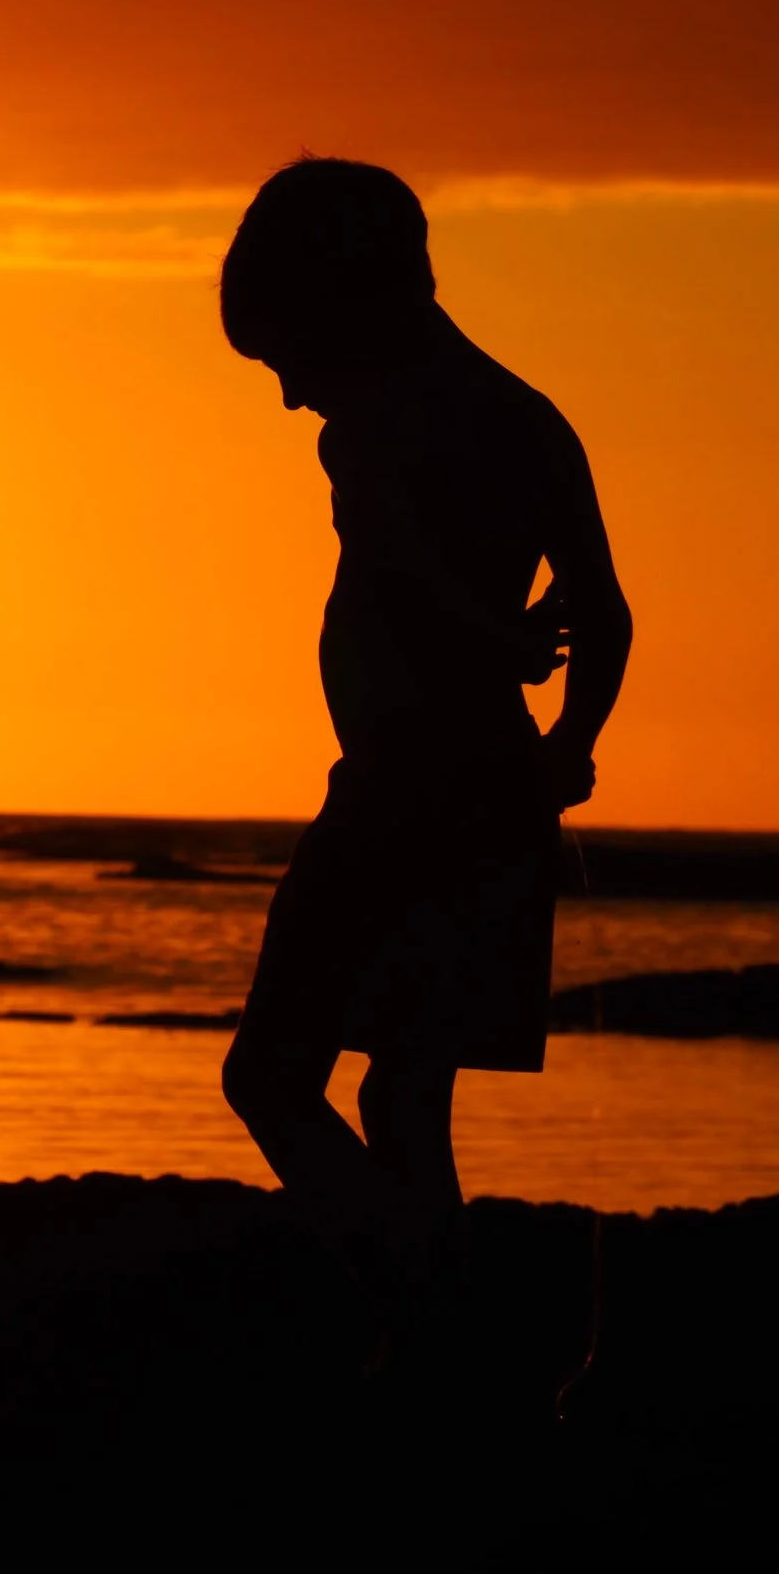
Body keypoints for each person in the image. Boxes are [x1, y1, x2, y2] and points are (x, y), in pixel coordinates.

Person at [215, 158, 632, 1321]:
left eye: (289, 357)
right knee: (405, 1096)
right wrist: (567, 741)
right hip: (498, 788)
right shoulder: (528, 416)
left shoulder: (368, 434)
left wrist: (492, 641)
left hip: (400, 792)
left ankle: (417, 1306)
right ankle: (440, 1330)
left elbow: (399, 560)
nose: (293, 396)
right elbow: (602, 609)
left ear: (342, 304)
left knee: (268, 1076)